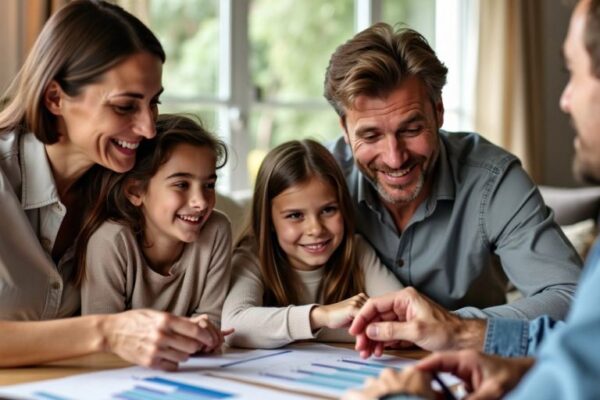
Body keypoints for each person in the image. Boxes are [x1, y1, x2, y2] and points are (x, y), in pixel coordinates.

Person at [345, 0, 600, 398]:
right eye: (371, 136)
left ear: (439, 112)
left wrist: (456, 326)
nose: (394, 158)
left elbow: (571, 298)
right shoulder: (319, 180)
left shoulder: (493, 179)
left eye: (412, 129)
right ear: (344, 131)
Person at [0, 1, 217, 370]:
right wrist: (107, 331)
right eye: (124, 107)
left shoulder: (132, 189)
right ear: (55, 98)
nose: (149, 128)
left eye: (153, 103)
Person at [222, 139, 403, 348]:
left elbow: (401, 319)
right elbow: (235, 327)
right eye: (295, 215)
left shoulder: (357, 250)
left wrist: (305, 329)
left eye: (328, 210)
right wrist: (322, 316)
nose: (316, 229)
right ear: (268, 220)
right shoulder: (252, 256)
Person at [79, 114, 232, 353]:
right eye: (181, 184)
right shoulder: (110, 241)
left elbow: (211, 322)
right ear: (135, 191)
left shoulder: (217, 230)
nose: (201, 202)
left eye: (209, 185)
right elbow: (103, 338)